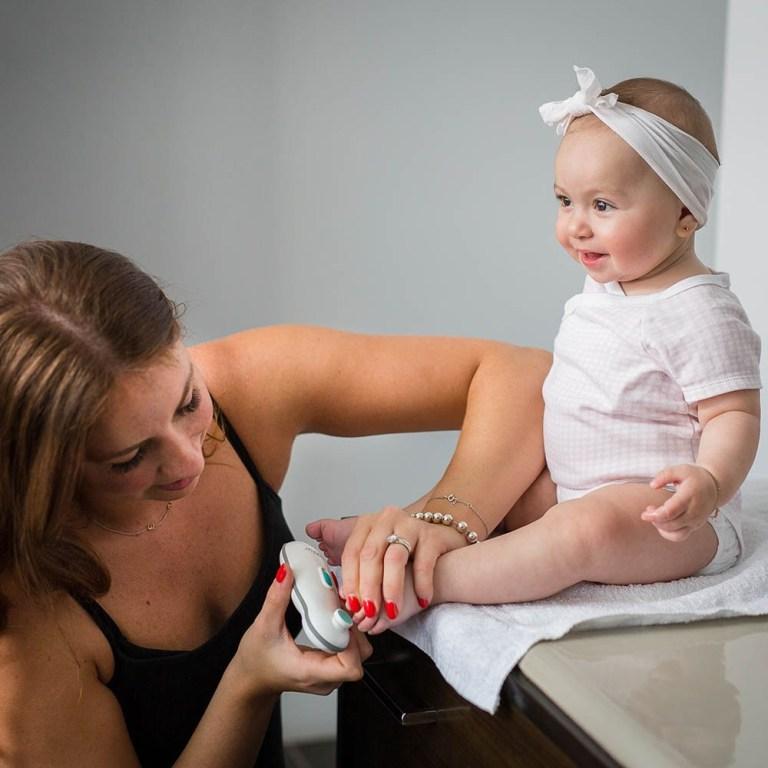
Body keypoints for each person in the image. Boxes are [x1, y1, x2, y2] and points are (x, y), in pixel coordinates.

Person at [0, 239, 550, 767]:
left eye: (188, 402)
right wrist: (249, 683)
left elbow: (524, 374)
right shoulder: (27, 624)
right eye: (129, 458)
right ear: (43, 467)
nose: (190, 462)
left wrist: (442, 519)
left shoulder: (241, 385)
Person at [309, 66, 762, 635]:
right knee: (509, 488)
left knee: (581, 532)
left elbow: (733, 413)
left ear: (685, 214)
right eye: (565, 200)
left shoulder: (698, 310)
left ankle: (430, 580)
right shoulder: (608, 288)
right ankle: (406, 539)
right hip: (574, 487)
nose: (575, 226)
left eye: (603, 206)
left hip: (668, 519)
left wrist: (711, 483)